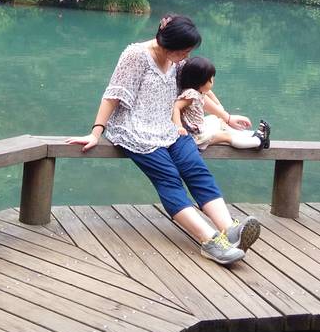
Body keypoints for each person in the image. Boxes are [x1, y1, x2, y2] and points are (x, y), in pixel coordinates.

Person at [66, 13, 261, 265]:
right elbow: (113, 95)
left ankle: (229, 229)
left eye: (188, 52)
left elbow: (195, 93)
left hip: (171, 128)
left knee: (195, 168)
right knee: (169, 178)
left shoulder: (177, 60)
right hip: (136, 130)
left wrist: (227, 116)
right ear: (167, 44)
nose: (186, 57)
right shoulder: (136, 55)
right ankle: (210, 240)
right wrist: (96, 132)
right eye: (183, 51)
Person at [173, 56, 271, 151]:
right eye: (210, 80)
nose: (212, 82)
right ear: (200, 82)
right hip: (197, 137)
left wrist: (220, 107)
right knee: (225, 137)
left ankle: (252, 134)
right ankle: (258, 141)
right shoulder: (191, 94)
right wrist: (179, 127)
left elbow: (209, 93)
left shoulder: (198, 91)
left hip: (200, 129)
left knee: (220, 122)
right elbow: (176, 107)